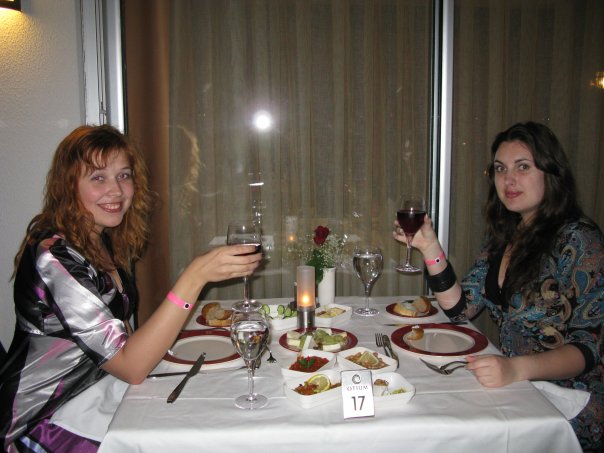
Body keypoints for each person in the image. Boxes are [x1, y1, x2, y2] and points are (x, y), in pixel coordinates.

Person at [0, 125, 262, 452]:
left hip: (97, 393)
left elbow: (123, 337)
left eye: (123, 176)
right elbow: (131, 367)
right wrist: (194, 277)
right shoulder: (55, 258)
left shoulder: (99, 240)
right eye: (98, 178)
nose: (116, 190)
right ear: (68, 185)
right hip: (43, 419)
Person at [394, 121, 603, 452]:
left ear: (552, 173)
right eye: (501, 169)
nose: (508, 179)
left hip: (568, 400)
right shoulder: (506, 236)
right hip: (516, 387)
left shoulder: (580, 240)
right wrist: (430, 247)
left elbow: (589, 348)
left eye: (523, 167)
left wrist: (515, 369)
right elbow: (461, 309)